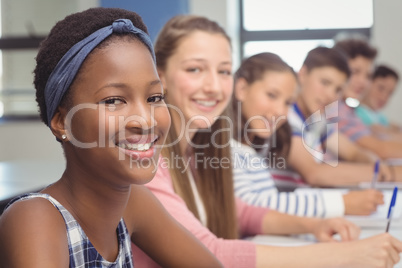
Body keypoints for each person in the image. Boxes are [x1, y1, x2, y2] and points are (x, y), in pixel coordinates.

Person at [131, 15, 402, 268]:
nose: (213, 86)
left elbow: (242, 212)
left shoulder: (198, 153)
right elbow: (209, 252)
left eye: (224, 71)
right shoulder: (146, 163)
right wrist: (347, 255)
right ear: (161, 75)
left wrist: (312, 226)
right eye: (194, 69)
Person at [0, 7, 223, 267]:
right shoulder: (34, 219)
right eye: (114, 100)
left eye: (154, 98)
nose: (145, 120)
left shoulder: (135, 203)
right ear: (63, 122)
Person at [231, 51, 384, 217]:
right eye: (271, 95)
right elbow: (252, 207)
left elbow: (353, 151)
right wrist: (341, 203)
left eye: (288, 102)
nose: (280, 111)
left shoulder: (311, 123)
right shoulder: (239, 144)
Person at [333, 37, 402, 159]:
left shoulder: (348, 109)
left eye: (368, 76)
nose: (363, 82)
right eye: (355, 72)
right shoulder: (336, 111)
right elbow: (380, 149)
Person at [356, 64, 402, 139]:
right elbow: (377, 130)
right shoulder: (355, 111)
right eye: (381, 88)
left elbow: (393, 126)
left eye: (390, 93)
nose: (384, 97)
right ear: (368, 82)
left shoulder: (379, 116)